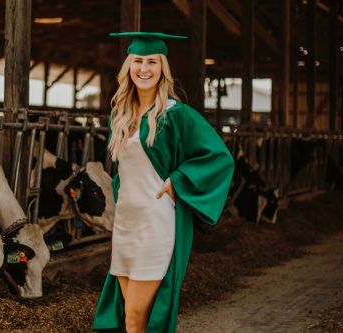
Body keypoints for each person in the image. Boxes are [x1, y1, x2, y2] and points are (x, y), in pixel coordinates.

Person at [92, 32, 235, 333]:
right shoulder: (119, 115)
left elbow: (219, 157)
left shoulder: (176, 115)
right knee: (128, 318)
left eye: (153, 62)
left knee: (136, 315)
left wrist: (177, 181)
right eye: (139, 61)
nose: (145, 69)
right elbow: (125, 171)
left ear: (163, 68)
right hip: (126, 224)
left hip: (156, 223)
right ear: (129, 67)